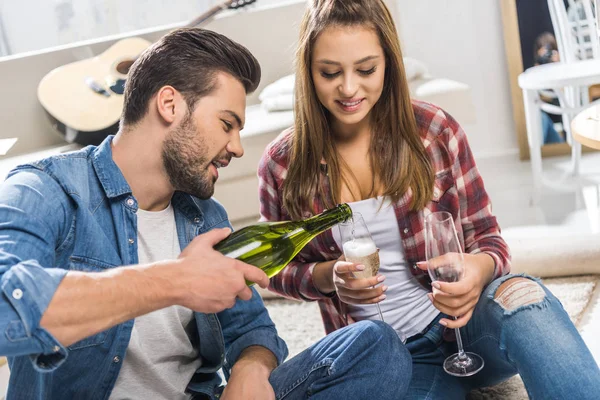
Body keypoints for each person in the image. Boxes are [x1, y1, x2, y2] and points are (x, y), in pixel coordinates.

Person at [0, 28, 411, 400]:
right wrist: (173, 281)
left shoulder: (204, 217)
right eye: (227, 124)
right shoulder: (47, 190)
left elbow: (250, 329)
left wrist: (251, 368)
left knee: (377, 346)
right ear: (169, 104)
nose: (236, 147)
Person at [258, 1, 600, 398]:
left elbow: (489, 239)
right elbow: (275, 271)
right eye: (330, 73)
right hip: (391, 359)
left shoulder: (435, 132)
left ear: (389, 62)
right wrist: (326, 277)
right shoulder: (283, 163)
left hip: (469, 326)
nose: (349, 88)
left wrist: (478, 268)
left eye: (366, 69)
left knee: (524, 296)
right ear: (308, 72)